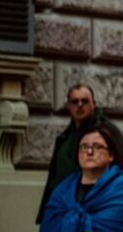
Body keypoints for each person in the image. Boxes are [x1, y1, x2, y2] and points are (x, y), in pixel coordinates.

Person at [37, 83, 106, 223]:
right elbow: (54, 178)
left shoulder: (105, 133)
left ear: (94, 104)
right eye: (75, 101)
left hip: (91, 214)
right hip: (62, 212)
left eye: (85, 101)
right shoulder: (65, 137)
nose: (80, 105)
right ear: (68, 106)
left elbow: (115, 171)